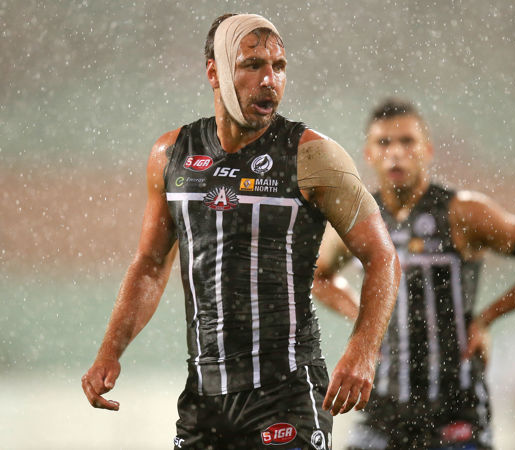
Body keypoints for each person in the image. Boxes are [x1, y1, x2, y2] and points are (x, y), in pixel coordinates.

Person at [81, 14, 400, 450]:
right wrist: (109, 351)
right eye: (252, 65)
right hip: (204, 400)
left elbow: (382, 257)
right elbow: (151, 265)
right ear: (214, 72)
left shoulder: (313, 156)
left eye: (279, 66)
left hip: (287, 394)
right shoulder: (171, 154)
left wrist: (363, 350)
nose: (269, 80)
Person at [312, 98, 515, 449]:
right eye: (384, 143)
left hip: (455, 409)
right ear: (369, 154)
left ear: (428, 150)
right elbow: (318, 275)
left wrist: (487, 318)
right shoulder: (361, 220)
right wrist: (363, 319)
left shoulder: (463, 212)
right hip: (384, 410)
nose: (395, 153)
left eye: (407, 141)